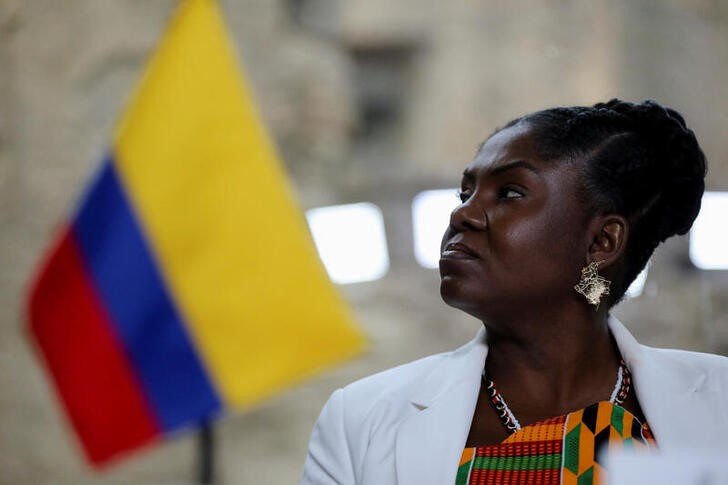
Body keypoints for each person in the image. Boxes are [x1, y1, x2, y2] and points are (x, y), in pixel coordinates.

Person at [300, 99, 728, 485]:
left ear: (602, 242)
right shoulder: (359, 420)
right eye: (465, 192)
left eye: (509, 193)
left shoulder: (719, 403)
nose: (462, 214)